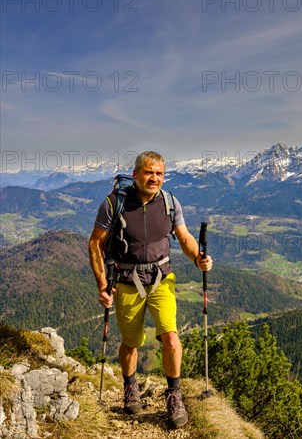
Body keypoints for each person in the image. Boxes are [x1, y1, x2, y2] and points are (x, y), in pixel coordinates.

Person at [88, 151, 212, 429]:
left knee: (170, 336)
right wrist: (102, 284)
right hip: (126, 280)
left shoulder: (169, 203)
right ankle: (130, 387)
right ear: (135, 175)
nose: (154, 178)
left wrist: (198, 259)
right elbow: (95, 243)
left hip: (161, 279)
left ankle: (174, 395)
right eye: (148, 172)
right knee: (131, 342)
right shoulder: (114, 204)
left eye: (159, 173)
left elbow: (184, 238)